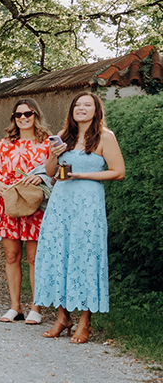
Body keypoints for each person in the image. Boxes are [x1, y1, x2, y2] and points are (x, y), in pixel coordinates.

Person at [34, 91, 127, 343]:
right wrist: (53, 154)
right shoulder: (63, 136)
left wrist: (82, 175)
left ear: (96, 111)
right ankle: (63, 316)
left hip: (88, 203)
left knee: (85, 254)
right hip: (61, 203)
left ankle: (85, 320)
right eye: (77, 105)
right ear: (71, 110)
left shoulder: (105, 137)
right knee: (60, 253)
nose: (81, 108)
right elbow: (51, 173)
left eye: (88, 105)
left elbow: (118, 172)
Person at [0, 98, 50, 323]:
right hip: (9, 204)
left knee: (34, 258)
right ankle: (15, 306)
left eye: (28, 114)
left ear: (36, 115)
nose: (23, 118)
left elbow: (55, 172)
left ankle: (36, 308)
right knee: (12, 256)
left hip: (34, 206)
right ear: (13, 118)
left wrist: (41, 176)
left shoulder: (47, 144)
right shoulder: (4, 144)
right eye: (18, 115)